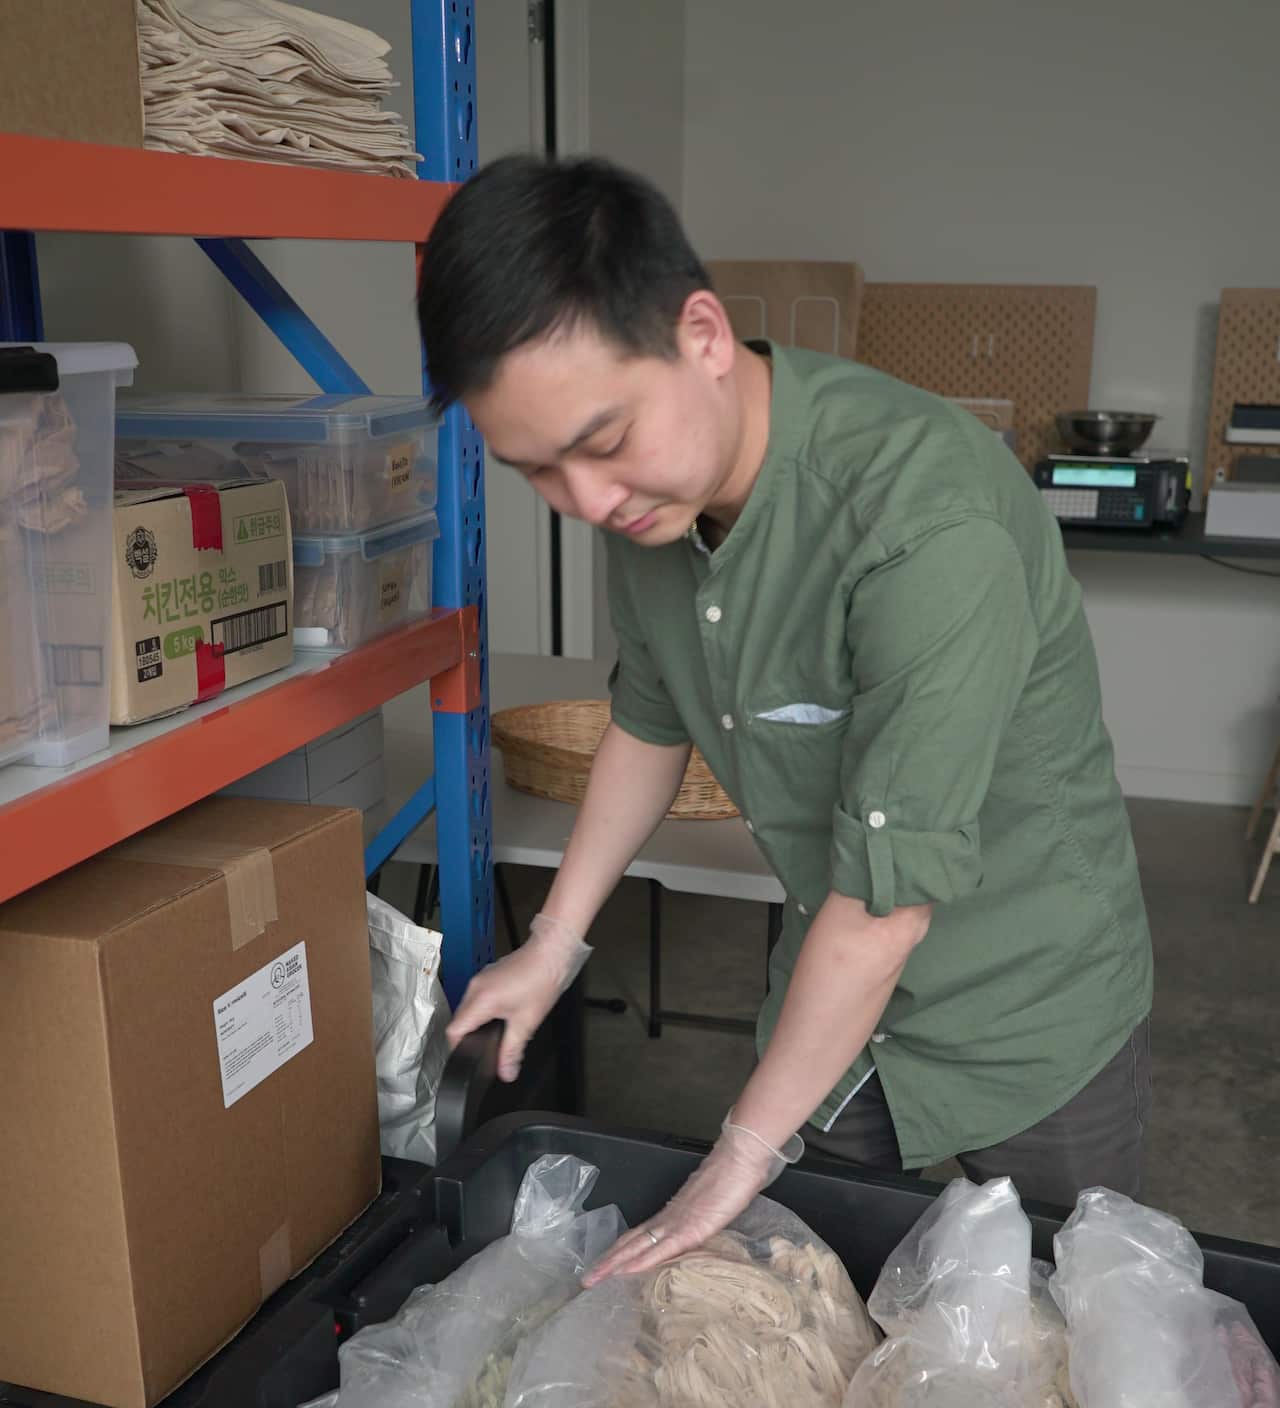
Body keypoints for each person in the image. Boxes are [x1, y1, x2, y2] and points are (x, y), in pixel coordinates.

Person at [416, 154, 1153, 1286]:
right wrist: (552, 946)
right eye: (537, 473)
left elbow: (884, 905)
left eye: (604, 443)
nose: (588, 503)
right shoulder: (650, 514)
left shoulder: (920, 523)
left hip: (1025, 1008)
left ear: (702, 335)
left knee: (1062, 1335)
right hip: (828, 999)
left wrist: (739, 1152)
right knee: (806, 1316)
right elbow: (647, 725)